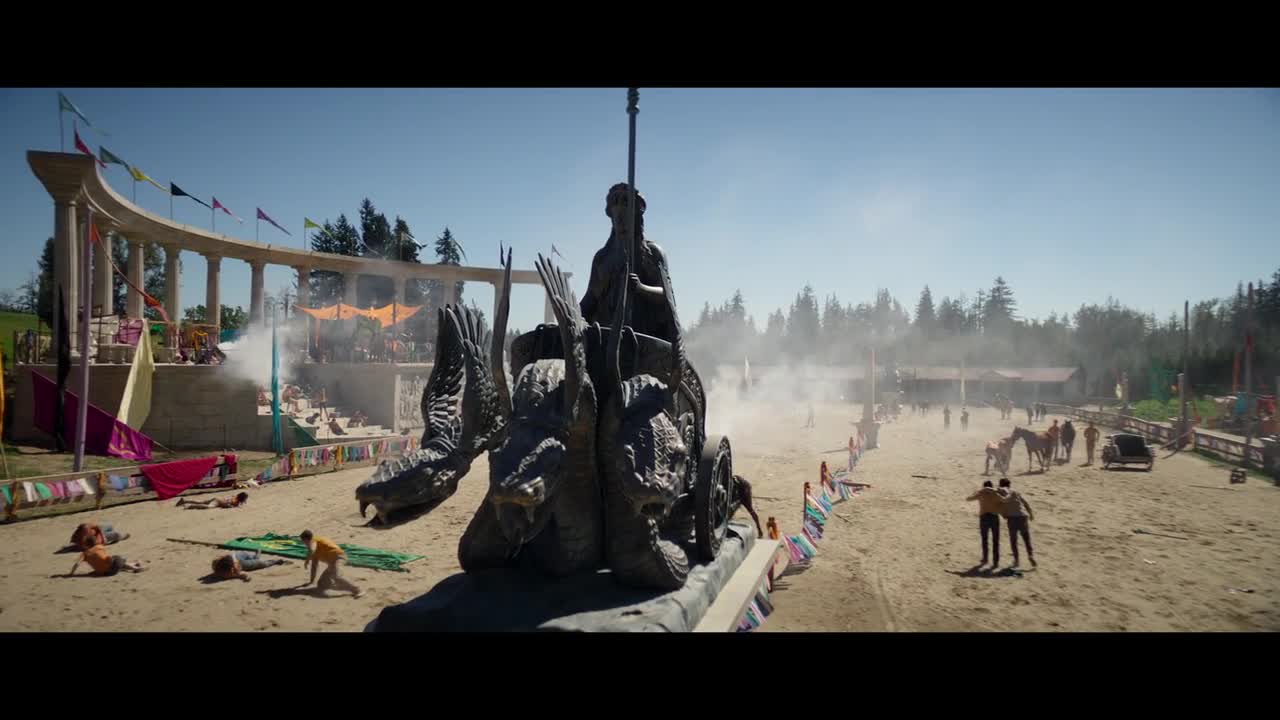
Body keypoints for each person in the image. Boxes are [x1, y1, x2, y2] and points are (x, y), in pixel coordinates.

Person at [300, 529, 362, 597]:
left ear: (306, 539)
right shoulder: (315, 552)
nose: (304, 544)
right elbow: (314, 566)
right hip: (332, 564)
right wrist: (311, 581)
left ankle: (357, 590)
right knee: (322, 584)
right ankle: (343, 587)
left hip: (339, 558)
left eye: (304, 542)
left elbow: (312, 550)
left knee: (337, 576)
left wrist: (307, 561)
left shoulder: (314, 541)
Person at [997, 478, 1036, 567]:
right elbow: (1025, 503)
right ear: (1009, 484)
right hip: (1023, 516)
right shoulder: (1016, 492)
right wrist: (1030, 513)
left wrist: (1003, 514)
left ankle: (1016, 560)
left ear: (1000, 485)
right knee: (1026, 538)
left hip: (1012, 518)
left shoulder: (1001, 492)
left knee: (1013, 540)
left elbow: (999, 505)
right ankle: (1030, 555)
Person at [966, 480, 1003, 567]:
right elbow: (1004, 500)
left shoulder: (981, 493)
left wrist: (977, 491)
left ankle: (985, 558)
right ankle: (995, 562)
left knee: (984, 539)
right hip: (994, 517)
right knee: (995, 540)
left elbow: (968, 498)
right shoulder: (995, 494)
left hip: (984, 517)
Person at [69, 535, 145, 577]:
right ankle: (135, 567)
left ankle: (134, 564)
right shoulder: (99, 546)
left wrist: (71, 574)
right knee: (117, 559)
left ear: (86, 545)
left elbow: (76, 564)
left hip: (106, 573)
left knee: (117, 563)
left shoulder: (84, 554)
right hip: (113, 566)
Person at [210, 551, 288, 582]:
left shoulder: (231, 569)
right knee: (259, 562)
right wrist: (245, 577)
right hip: (239, 558)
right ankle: (260, 555)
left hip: (240, 558)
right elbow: (244, 575)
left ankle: (258, 556)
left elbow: (243, 575)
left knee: (260, 562)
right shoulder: (224, 570)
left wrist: (243, 576)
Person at [177, 491, 249, 509]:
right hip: (218, 501)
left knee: (201, 502)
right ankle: (189, 506)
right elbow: (227, 504)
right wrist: (231, 506)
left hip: (217, 499)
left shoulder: (235, 498)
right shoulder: (235, 501)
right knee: (209, 506)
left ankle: (185, 500)